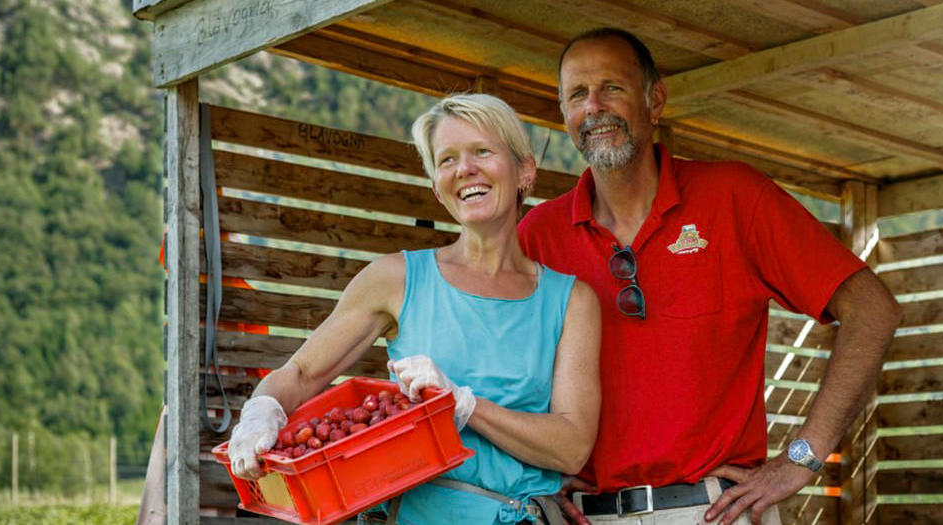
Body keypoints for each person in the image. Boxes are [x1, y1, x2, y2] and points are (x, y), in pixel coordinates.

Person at [517, 28, 902, 525]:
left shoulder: (735, 197)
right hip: (584, 517)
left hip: (711, 510)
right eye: (577, 94)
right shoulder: (538, 234)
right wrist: (536, 474)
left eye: (612, 87)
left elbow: (873, 308)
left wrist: (802, 459)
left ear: (655, 100)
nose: (594, 106)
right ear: (564, 114)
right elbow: (503, 369)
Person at [228, 93, 602, 524]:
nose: (465, 169)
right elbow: (299, 374)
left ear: (525, 171)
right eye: (447, 160)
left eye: (482, 151)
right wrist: (261, 412)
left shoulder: (570, 301)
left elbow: (572, 446)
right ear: (437, 189)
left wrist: (464, 405)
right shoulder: (396, 279)